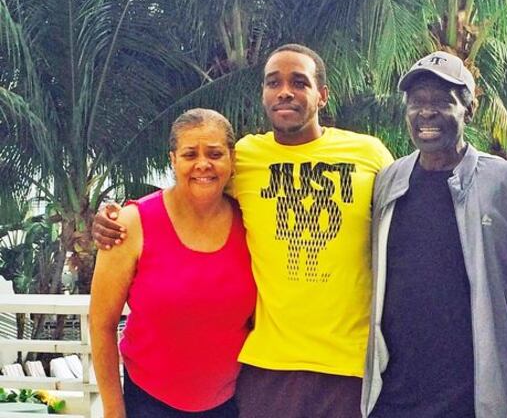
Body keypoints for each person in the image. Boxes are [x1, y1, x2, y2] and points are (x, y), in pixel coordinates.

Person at [92, 44, 394, 418]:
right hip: (267, 368)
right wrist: (115, 216)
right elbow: (190, 191)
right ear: (264, 94)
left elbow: (404, 226)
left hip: (349, 366)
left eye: (300, 82)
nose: (285, 91)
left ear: (322, 95)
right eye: (274, 82)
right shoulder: (247, 157)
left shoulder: (369, 154)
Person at [361, 51, 507, 417]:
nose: (426, 113)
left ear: (469, 110)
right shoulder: (389, 180)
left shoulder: (502, 182)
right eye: (416, 102)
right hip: (395, 391)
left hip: (468, 394)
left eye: (442, 102)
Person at [90, 108, 257, 418]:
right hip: (147, 402)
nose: (203, 164)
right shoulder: (130, 224)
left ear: (232, 159)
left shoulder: (252, 222)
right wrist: (113, 411)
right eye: (190, 154)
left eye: (215, 154)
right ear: (173, 160)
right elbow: (101, 325)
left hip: (230, 403)